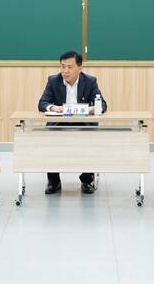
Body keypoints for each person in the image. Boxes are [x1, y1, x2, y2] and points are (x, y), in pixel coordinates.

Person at [38, 50, 107, 195]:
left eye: (69, 67)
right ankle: (54, 181)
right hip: (59, 124)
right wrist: (53, 107)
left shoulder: (90, 81)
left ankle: (87, 180)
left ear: (80, 68)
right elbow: (42, 103)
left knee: (89, 141)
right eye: (62, 66)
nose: (65, 71)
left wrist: (93, 109)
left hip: (83, 124)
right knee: (51, 140)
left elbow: (102, 104)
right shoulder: (53, 81)